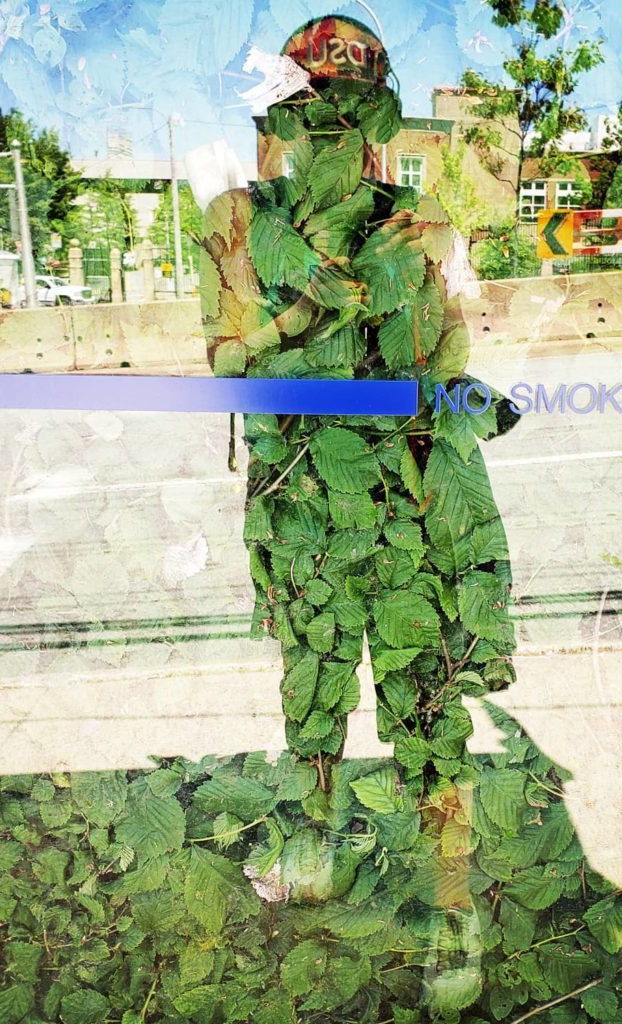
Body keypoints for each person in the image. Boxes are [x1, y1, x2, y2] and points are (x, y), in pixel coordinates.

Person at [198, 15, 520, 776]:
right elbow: (231, 370)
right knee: (313, 703)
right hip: (303, 508)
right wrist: (325, 299)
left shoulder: (412, 225)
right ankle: (317, 832)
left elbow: (444, 356)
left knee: (427, 708)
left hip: (407, 506)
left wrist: (464, 398)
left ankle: (438, 863)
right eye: (317, 116)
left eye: (358, 116)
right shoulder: (240, 222)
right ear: (285, 122)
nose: (339, 135)